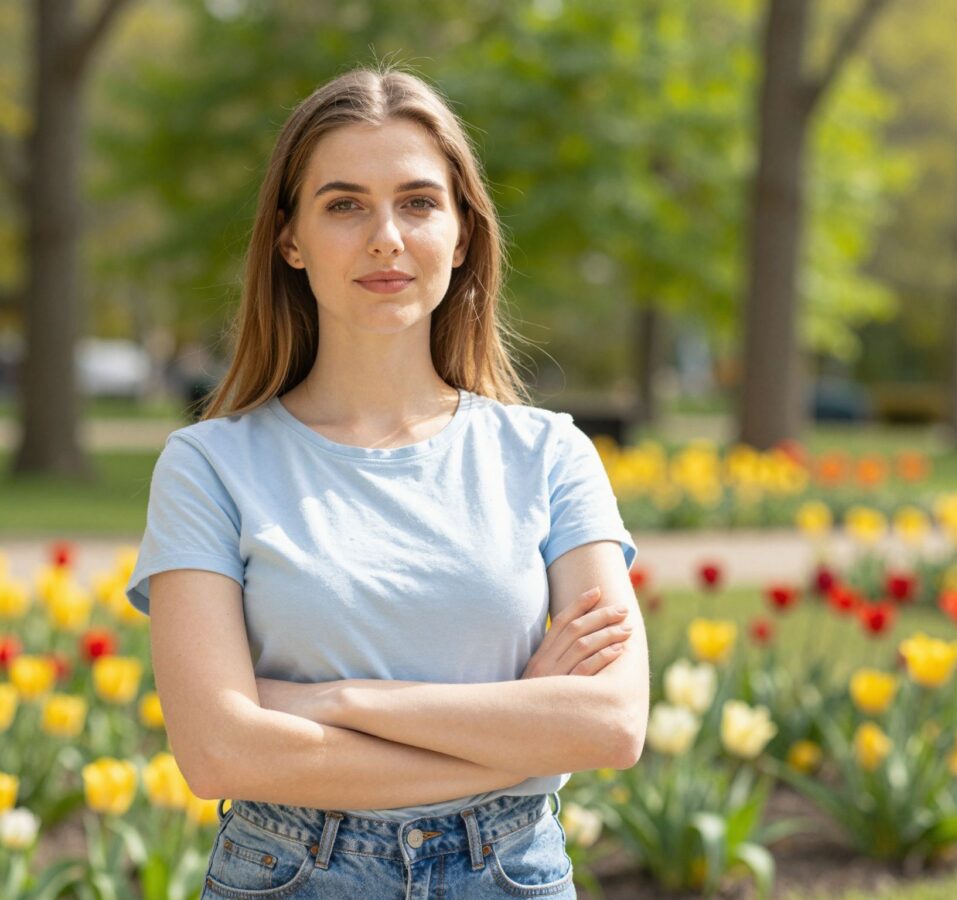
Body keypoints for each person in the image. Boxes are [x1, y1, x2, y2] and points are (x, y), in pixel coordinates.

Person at [124, 65, 648, 900]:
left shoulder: (550, 454)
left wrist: (334, 699)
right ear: (290, 239)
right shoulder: (209, 467)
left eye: (417, 202)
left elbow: (612, 724)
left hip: (511, 875)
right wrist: (519, 722)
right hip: (290, 875)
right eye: (344, 204)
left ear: (463, 233)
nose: (385, 236)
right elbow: (219, 753)